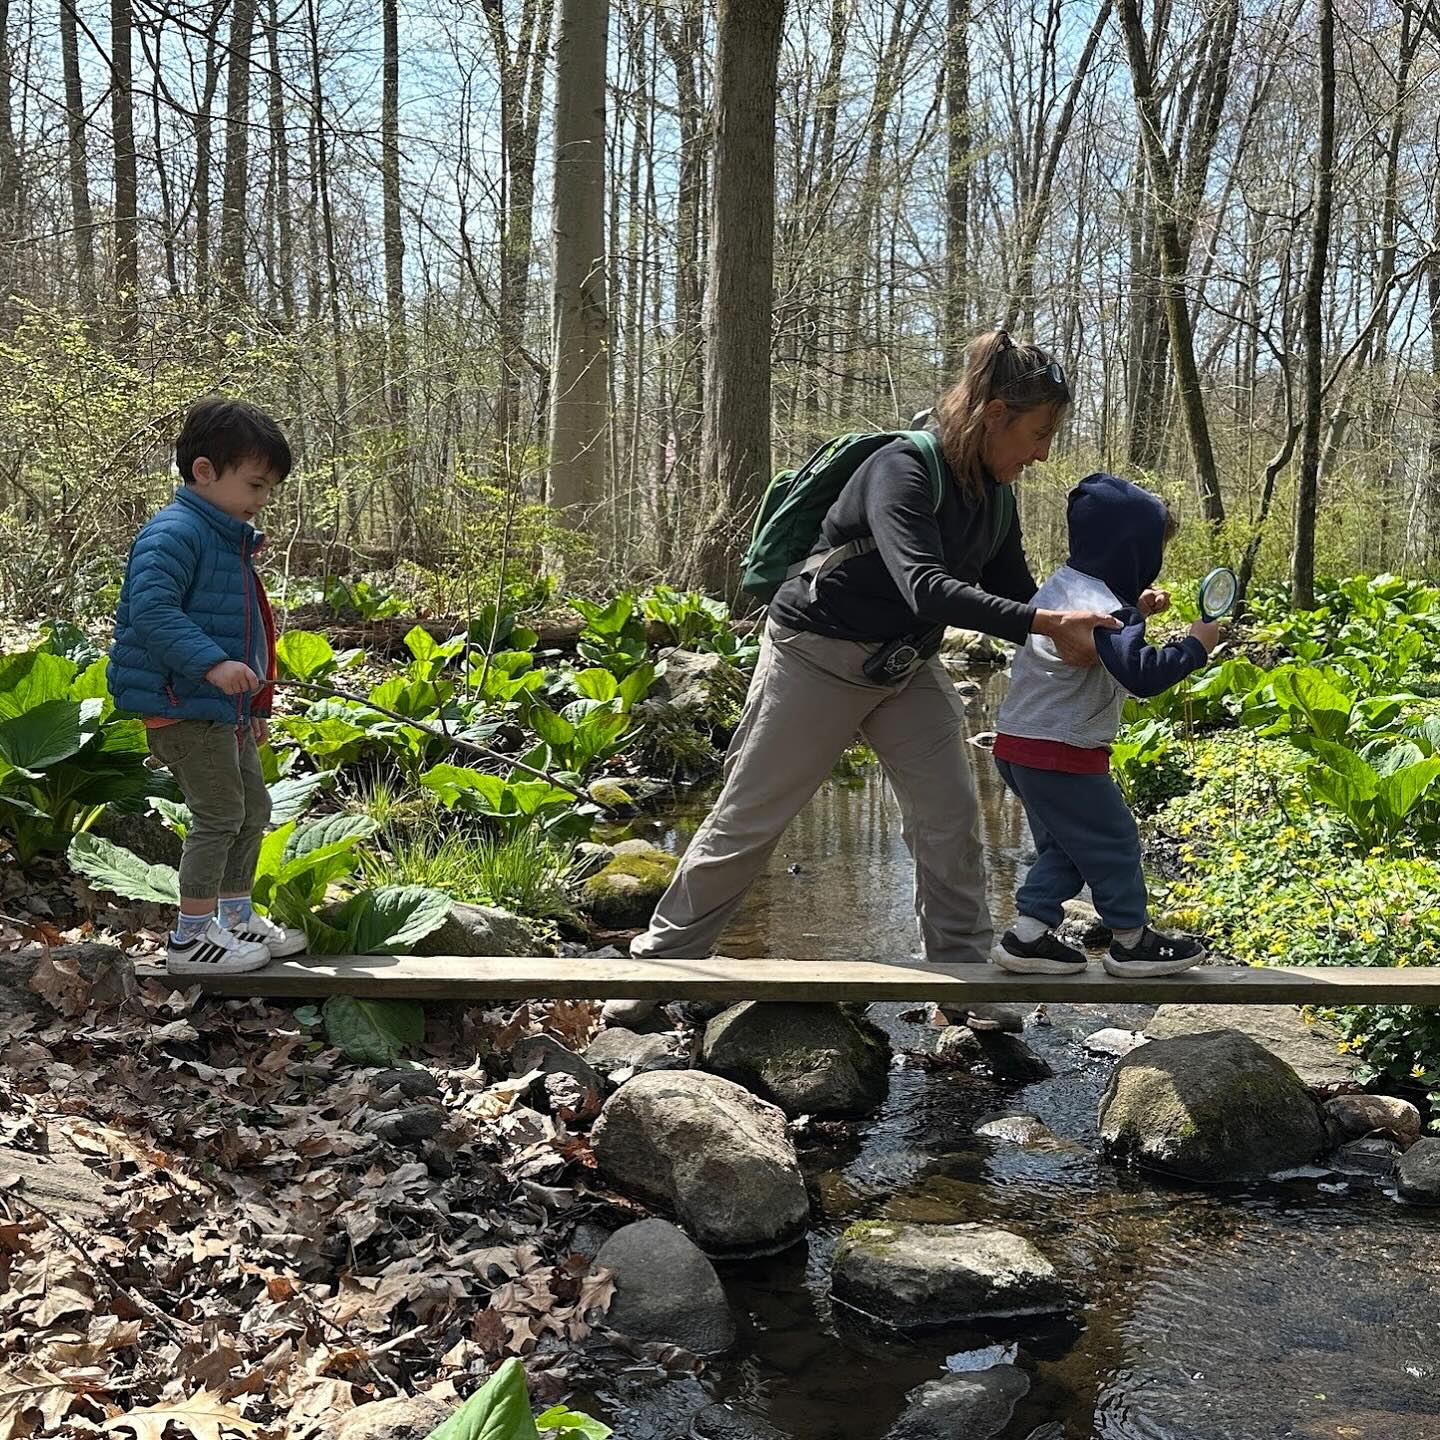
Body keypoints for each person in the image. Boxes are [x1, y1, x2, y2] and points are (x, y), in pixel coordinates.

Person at [630, 330, 1122, 972]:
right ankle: (659, 964)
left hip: (903, 667)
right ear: (995, 415)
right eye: (1038, 434)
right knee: (750, 820)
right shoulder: (902, 468)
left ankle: (965, 976)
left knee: (950, 819)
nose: (1042, 454)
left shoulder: (995, 497)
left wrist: (1101, 622)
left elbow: (1013, 596)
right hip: (815, 658)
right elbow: (925, 587)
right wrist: (1047, 621)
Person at [990, 471, 1220, 978]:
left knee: (1069, 847)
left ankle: (1027, 937)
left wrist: (1135, 609)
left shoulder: (1065, 587)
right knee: (1115, 838)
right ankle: (1130, 941)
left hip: (1017, 745)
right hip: (1062, 750)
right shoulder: (1105, 609)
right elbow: (1141, 675)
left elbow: (1100, 641)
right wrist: (1196, 644)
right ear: (1130, 548)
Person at [109, 398, 307, 976]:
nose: (262, 499)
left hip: (224, 709)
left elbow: (252, 635)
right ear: (203, 471)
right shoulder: (174, 533)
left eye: (269, 487)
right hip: (182, 704)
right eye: (254, 484)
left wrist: (256, 705)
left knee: (253, 809)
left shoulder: (227, 541)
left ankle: (234, 916)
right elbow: (153, 611)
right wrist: (213, 667)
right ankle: (191, 938)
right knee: (219, 813)